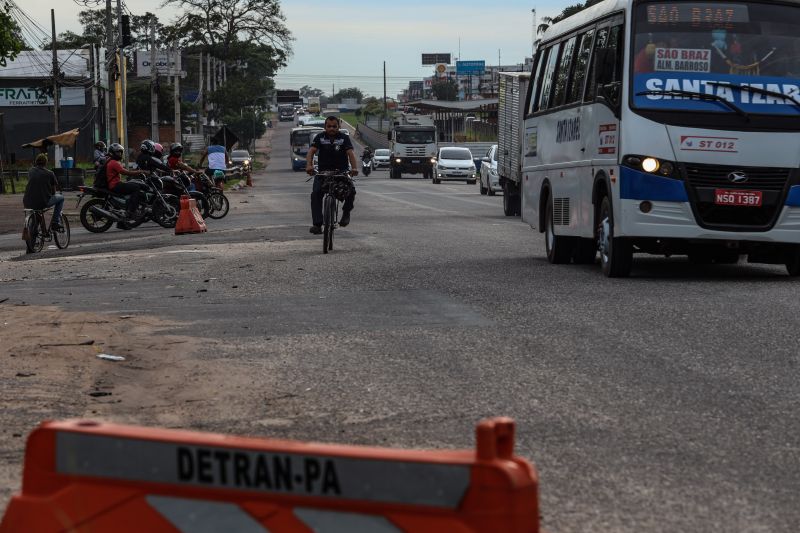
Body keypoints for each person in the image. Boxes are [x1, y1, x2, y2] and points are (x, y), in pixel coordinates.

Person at [305, 115, 358, 234]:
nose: (332, 128)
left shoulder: (344, 138)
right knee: (316, 194)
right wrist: (309, 165)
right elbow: (311, 152)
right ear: (325, 127)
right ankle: (317, 225)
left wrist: (354, 168)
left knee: (351, 191)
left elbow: (350, 153)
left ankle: (346, 213)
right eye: (329, 126)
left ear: (339, 127)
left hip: (341, 172)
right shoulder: (319, 137)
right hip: (323, 172)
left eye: (334, 126)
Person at [106, 142, 147, 229]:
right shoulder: (114, 162)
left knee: (132, 184)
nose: (120, 154)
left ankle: (123, 219)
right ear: (112, 152)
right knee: (136, 187)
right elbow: (125, 172)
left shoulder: (112, 161)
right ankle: (131, 210)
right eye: (118, 152)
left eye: (121, 152)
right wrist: (139, 172)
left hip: (114, 184)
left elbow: (124, 171)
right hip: (115, 185)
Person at [23, 153, 64, 232]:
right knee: (61, 198)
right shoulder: (50, 173)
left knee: (37, 210)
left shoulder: (31, 171)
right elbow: (53, 191)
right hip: (42, 202)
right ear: (46, 162)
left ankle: (35, 234)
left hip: (27, 201)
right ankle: (55, 222)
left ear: (36, 162)